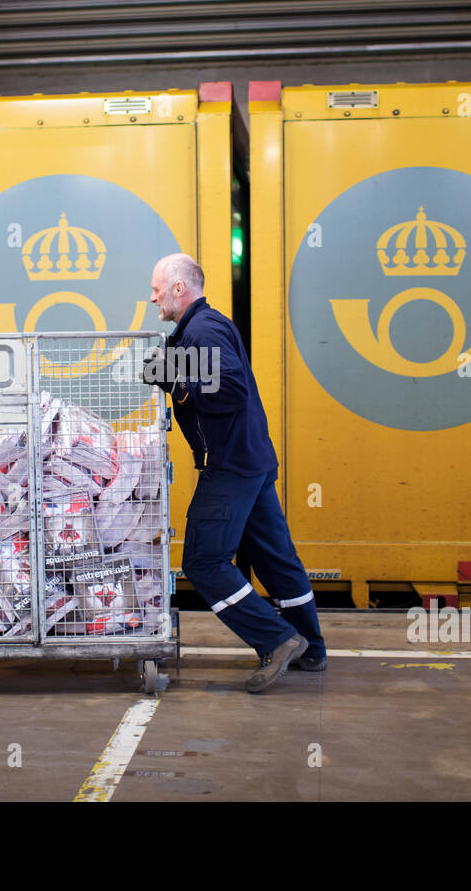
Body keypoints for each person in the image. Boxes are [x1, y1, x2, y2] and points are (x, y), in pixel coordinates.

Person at [142, 252, 326, 693]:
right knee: (277, 561)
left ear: (179, 289)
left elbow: (228, 387)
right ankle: (313, 648)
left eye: (156, 289)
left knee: (203, 562)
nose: (152, 298)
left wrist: (169, 375)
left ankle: (279, 640)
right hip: (252, 462)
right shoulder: (205, 327)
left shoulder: (202, 331)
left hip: (229, 467)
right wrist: (165, 369)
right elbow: (200, 375)